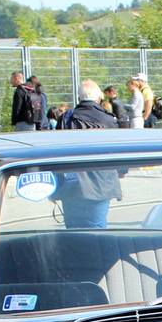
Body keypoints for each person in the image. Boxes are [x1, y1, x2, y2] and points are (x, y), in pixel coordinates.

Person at [56, 80, 121, 229]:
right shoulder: (109, 120)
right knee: (97, 231)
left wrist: (57, 186)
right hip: (101, 185)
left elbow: (56, 154)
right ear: (99, 99)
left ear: (79, 99)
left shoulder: (66, 118)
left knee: (73, 232)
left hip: (73, 185)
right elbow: (117, 152)